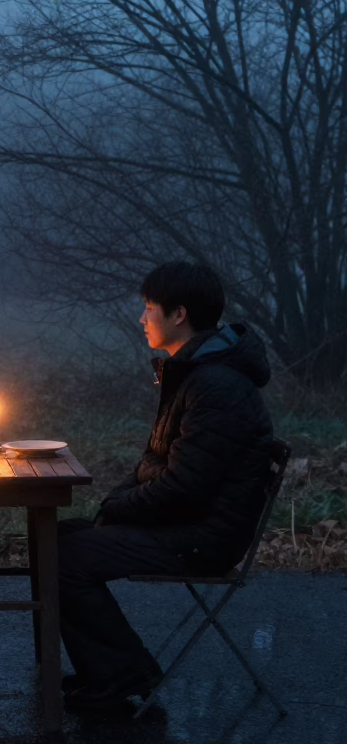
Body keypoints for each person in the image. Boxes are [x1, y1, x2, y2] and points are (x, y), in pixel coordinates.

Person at [58, 261, 273, 711]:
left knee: (67, 557)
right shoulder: (195, 373)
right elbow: (156, 464)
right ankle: (105, 670)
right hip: (186, 523)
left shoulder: (216, 385)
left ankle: (124, 676)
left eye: (149, 308)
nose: (142, 319)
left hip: (204, 537)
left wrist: (118, 509)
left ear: (178, 314)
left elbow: (185, 487)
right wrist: (119, 502)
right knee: (55, 538)